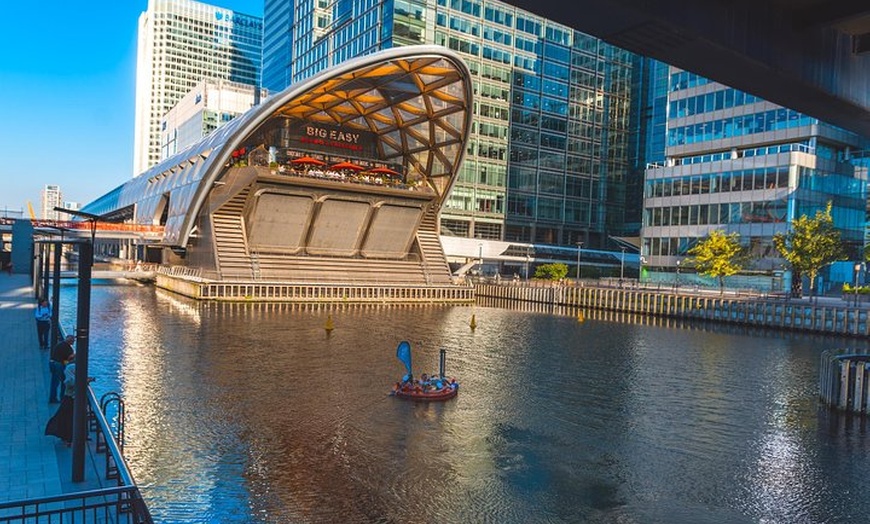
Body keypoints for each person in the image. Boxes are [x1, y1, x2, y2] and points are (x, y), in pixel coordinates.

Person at [45, 353, 76, 446]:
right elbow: (71, 382)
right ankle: (68, 437)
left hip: (68, 398)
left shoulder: (68, 369)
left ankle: (66, 437)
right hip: (70, 398)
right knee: (68, 419)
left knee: (65, 418)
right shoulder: (71, 370)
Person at [49, 335, 75, 403]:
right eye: (73, 341)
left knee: (54, 382)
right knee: (63, 381)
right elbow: (68, 358)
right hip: (58, 365)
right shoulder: (67, 348)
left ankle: (53, 398)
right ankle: (62, 397)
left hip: (52, 363)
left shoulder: (60, 344)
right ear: (71, 341)